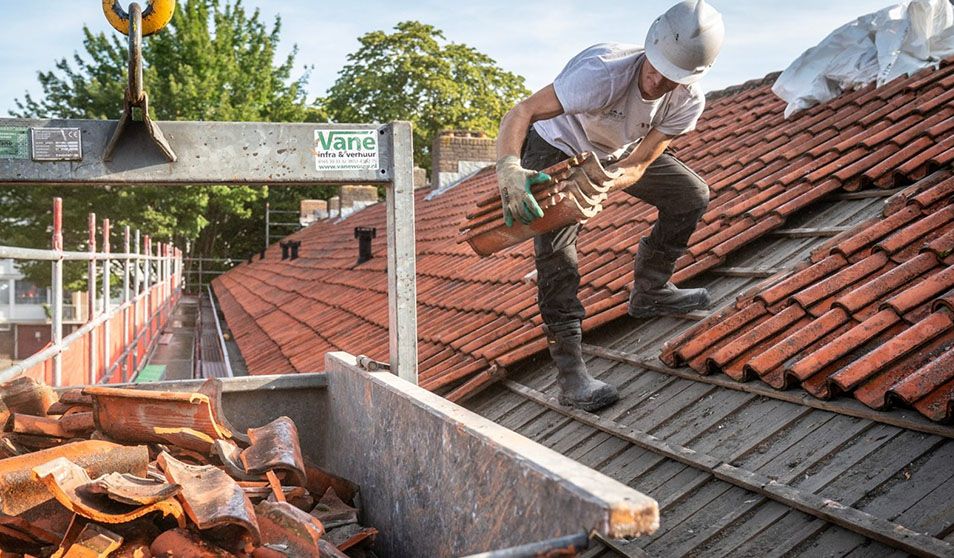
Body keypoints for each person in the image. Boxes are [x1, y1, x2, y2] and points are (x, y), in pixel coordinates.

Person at [495, 0, 725, 412]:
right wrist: (509, 167)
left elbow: (639, 163)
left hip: (612, 155)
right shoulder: (601, 72)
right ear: (649, 48)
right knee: (559, 254)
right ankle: (570, 374)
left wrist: (605, 182)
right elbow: (522, 111)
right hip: (556, 143)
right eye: (655, 69)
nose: (658, 82)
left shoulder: (687, 101)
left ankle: (651, 290)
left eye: (672, 78)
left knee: (691, 195)